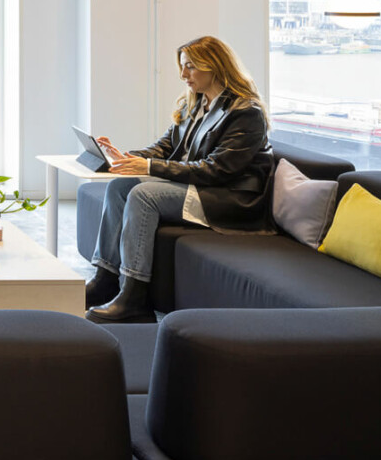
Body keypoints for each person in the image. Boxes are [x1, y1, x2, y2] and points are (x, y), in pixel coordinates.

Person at [85, 36, 273, 323]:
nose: (183, 75)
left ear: (215, 67)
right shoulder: (194, 104)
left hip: (230, 198)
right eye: (183, 67)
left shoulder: (245, 112)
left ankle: (135, 298)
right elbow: (164, 149)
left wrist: (148, 166)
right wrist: (122, 157)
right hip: (199, 187)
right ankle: (106, 280)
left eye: (190, 67)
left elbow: (217, 170)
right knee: (120, 186)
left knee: (143, 195)